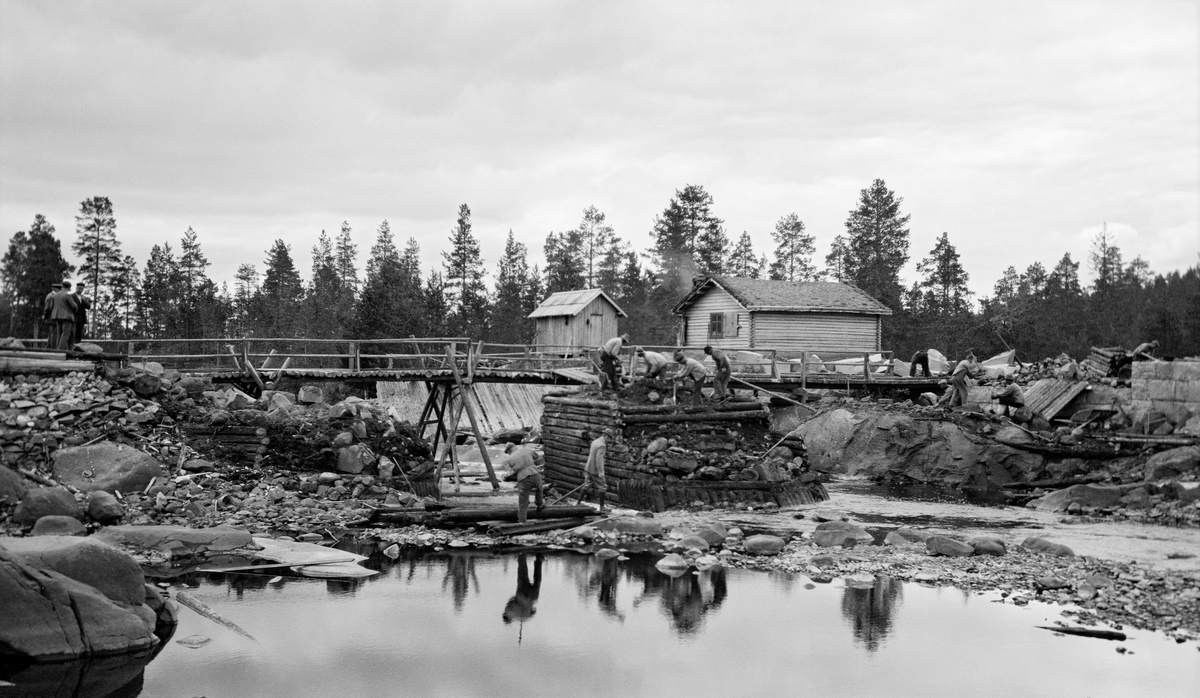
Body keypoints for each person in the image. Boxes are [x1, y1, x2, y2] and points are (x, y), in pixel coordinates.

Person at [505, 442, 544, 523]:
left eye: (507, 452)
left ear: (509, 450)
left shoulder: (509, 459)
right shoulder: (525, 449)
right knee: (539, 488)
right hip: (535, 473)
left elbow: (515, 470)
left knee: (523, 501)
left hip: (523, 477)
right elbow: (537, 456)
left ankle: (522, 521)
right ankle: (539, 504)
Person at [502, 553, 543, 628]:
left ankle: (539, 559)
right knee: (522, 572)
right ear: (505, 615)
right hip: (522, 593)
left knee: (538, 579)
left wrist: (528, 609)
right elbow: (512, 601)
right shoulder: (508, 611)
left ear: (511, 620)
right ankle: (522, 555)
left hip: (533, 597)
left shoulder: (522, 618)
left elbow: (533, 612)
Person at [577, 428, 609, 513]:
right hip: (595, 469)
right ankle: (602, 507)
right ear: (605, 436)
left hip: (588, 467)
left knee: (587, 484)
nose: (608, 440)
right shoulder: (602, 445)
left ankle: (578, 502)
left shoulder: (595, 441)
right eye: (609, 438)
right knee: (603, 487)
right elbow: (599, 460)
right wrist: (601, 472)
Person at [44, 281, 78, 351]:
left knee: (59, 334)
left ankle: (57, 349)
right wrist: (73, 311)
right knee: (65, 334)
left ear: (62, 286)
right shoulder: (67, 295)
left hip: (57, 316)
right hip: (67, 317)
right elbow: (74, 306)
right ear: (69, 287)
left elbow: (51, 307)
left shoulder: (54, 296)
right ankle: (61, 350)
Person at [42, 281, 61, 348]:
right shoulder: (51, 296)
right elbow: (48, 308)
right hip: (52, 318)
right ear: (55, 289)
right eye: (59, 289)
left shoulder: (51, 295)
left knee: (51, 334)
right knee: (54, 334)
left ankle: (49, 347)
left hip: (52, 317)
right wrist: (46, 316)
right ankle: (53, 348)